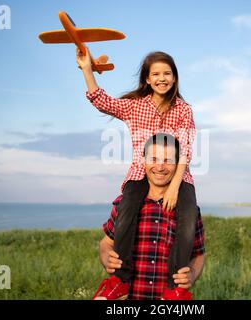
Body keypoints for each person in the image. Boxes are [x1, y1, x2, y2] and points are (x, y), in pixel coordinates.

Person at [77, 48, 198, 299]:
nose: (162, 78)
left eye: (167, 73)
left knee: (187, 218)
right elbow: (103, 101)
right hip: (141, 173)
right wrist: (87, 70)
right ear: (147, 79)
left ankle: (175, 289)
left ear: (174, 78)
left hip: (178, 175)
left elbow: (185, 148)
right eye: (156, 74)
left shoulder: (183, 109)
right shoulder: (135, 107)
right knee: (127, 210)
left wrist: (175, 186)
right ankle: (119, 280)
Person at [93, 133, 205, 300]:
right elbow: (106, 244)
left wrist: (192, 273)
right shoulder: (124, 204)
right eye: (153, 159)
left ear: (178, 164)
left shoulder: (189, 210)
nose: (160, 167)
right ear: (143, 160)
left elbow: (198, 254)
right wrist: (106, 257)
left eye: (168, 161)